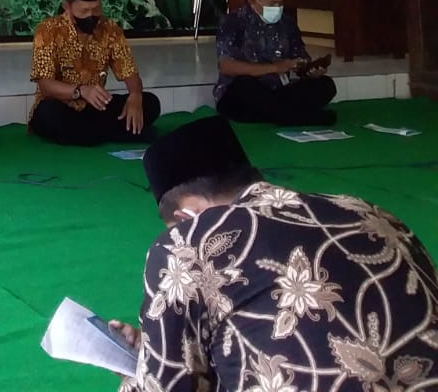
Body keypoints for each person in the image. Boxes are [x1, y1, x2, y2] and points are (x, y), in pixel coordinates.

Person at [110, 115, 438, 392]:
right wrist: (155, 347)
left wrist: (134, 374)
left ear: (186, 216)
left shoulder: (185, 243)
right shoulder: (367, 211)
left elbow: (163, 387)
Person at [28, 0, 161, 146]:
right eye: (84, 11)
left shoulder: (110, 29)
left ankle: (89, 134)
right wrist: (81, 91)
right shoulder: (47, 30)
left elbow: (130, 72)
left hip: (96, 107)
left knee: (150, 103)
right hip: (60, 106)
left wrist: (135, 95)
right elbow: (45, 86)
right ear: (67, 7)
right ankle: (116, 133)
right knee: (48, 114)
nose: (91, 16)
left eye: (96, 9)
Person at [214, 0, 337, 125]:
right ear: (253, 0)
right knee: (244, 86)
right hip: (242, 95)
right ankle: (297, 117)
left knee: (325, 85)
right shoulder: (233, 22)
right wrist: (275, 67)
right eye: (272, 4)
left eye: (280, 3)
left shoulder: (287, 23)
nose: (277, 8)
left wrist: (309, 70)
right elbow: (226, 66)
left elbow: (299, 59)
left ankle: (277, 114)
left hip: (276, 92)